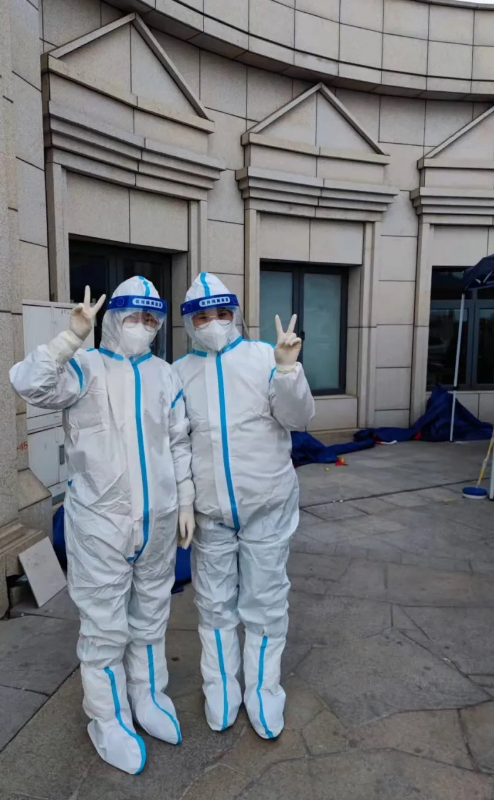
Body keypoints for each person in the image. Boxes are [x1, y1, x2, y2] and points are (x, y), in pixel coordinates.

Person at [10, 277, 196, 775]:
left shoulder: (165, 375)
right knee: (105, 628)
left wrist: (185, 500)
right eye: (134, 316)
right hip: (99, 524)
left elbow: (178, 441)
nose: (143, 326)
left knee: (151, 616)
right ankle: (108, 718)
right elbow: (28, 383)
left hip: (157, 523)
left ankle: (147, 696)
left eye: (151, 319)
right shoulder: (83, 368)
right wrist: (70, 337)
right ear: (113, 319)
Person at [173, 272, 315, 740]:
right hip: (211, 514)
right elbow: (177, 442)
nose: (213, 323)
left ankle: (264, 690)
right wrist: (186, 501)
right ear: (189, 322)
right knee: (214, 606)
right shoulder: (179, 372)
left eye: (222, 313)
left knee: (265, 603)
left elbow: (298, 418)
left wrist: (288, 371)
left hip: (267, 505)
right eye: (202, 316)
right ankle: (221, 688)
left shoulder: (263, 358)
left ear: (234, 314)